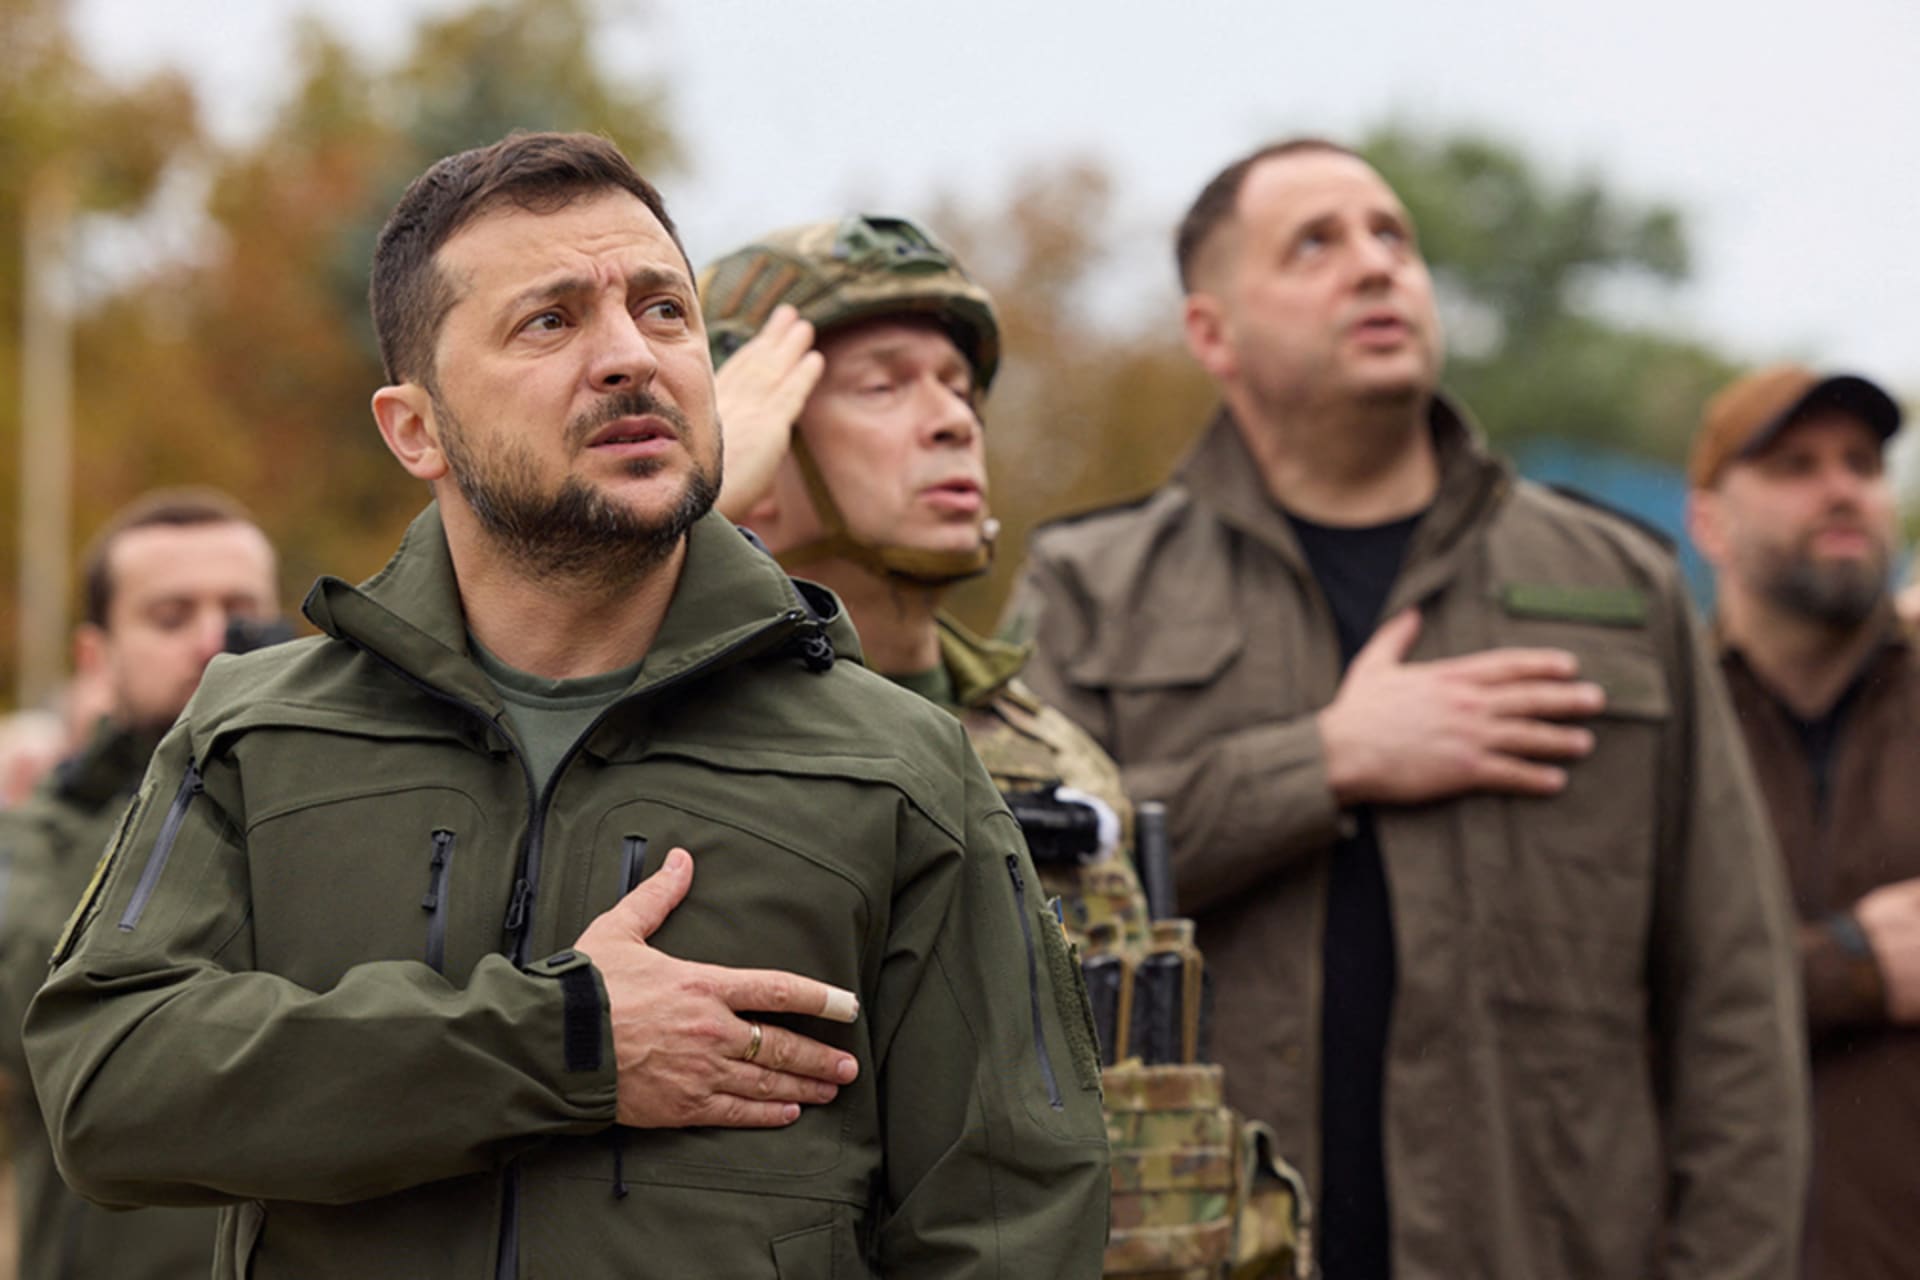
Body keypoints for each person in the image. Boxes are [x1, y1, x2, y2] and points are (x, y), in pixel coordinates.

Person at [23, 133, 1108, 1279]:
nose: (630, 356)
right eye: (551, 321)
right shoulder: (258, 732)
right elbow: (105, 1083)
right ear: (415, 428)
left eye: (664, 310)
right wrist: (564, 1037)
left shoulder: (898, 762)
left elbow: (1013, 1216)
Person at [1006, 137, 1808, 1279]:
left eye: (1394, 236)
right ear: (1213, 333)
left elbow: (1735, 993)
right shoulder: (1093, 589)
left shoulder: (1621, 584)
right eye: (1314, 244)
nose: (1376, 265)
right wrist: (1324, 762)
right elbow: (1016, 912)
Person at [701, 213, 1310, 1278]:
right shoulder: (696, 747)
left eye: (959, 387)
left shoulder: (1053, 757)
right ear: (751, 449)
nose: (952, 420)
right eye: (883, 386)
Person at [0, 488, 278, 1280]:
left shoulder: (335, 806)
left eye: (241, 613)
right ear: (97, 658)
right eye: (170, 617)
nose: (213, 643)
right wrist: (116, 781)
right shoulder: (48, 824)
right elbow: (33, 1013)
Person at [1687, 364, 1916, 1280]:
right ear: (1709, 522)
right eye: (1795, 466)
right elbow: (1606, 1007)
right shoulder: (1655, 728)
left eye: (1863, 463)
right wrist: (1848, 967)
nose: (1841, 490)